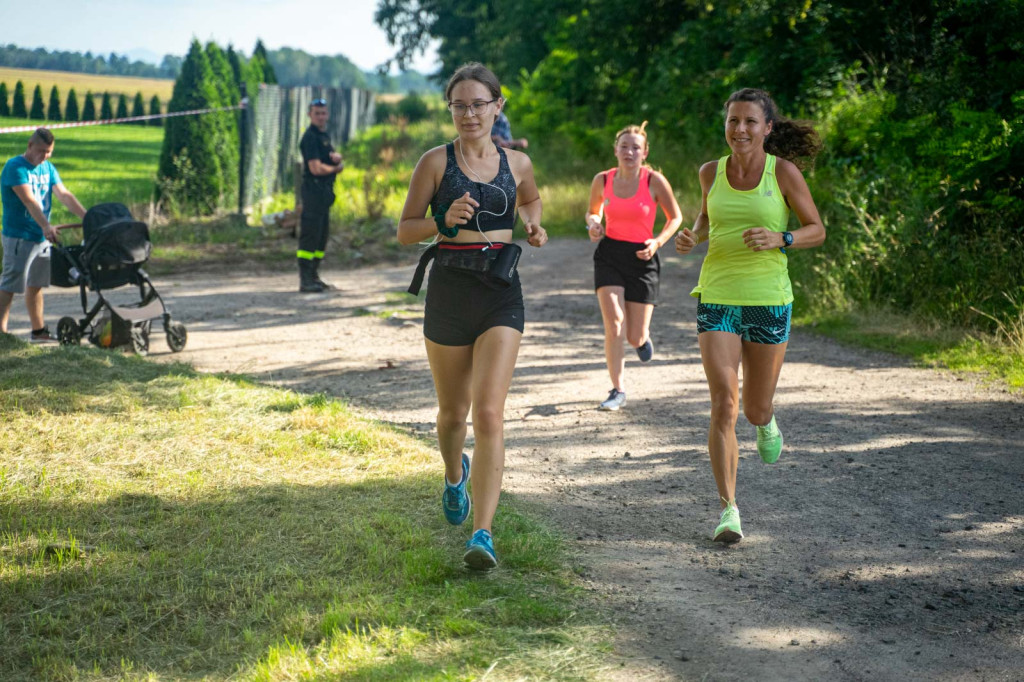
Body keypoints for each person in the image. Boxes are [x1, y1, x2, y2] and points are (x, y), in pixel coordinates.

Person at [397, 62, 547, 570]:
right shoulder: (434, 163)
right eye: (459, 105)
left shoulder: (518, 162)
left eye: (478, 104)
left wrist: (534, 224)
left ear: (497, 106)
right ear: (451, 110)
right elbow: (405, 230)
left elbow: (530, 200)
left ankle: (483, 534)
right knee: (451, 414)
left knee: (488, 413)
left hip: (500, 290)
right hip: (450, 290)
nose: (468, 113)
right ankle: (453, 474)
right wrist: (442, 219)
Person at [674, 88, 825, 543]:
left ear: (767, 128)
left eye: (750, 122)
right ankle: (728, 510)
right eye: (733, 121)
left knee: (755, 410)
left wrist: (781, 238)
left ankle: (767, 422)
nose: (740, 129)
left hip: (768, 297)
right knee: (724, 401)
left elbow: (816, 230)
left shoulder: (784, 172)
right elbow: (705, 221)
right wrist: (692, 237)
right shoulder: (709, 172)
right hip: (718, 295)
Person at [586, 122, 682, 410]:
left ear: (645, 152)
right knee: (614, 322)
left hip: (643, 256)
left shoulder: (654, 181)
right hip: (610, 254)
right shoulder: (603, 180)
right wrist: (594, 224)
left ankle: (641, 341)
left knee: (634, 334)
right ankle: (617, 390)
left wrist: (657, 242)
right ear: (616, 150)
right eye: (624, 146)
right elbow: (593, 211)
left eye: (635, 147)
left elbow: (675, 217)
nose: (629, 151)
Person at [0, 127, 86, 341]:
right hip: (19, 236)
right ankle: (1, 334)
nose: (45, 156)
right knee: (10, 284)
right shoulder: (15, 167)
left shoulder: (47, 168)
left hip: (41, 237)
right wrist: (46, 226)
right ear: (30, 145)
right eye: (41, 151)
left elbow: (64, 194)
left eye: (49, 151)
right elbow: (29, 201)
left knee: (36, 285)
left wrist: (88, 217)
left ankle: (39, 331)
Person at [297, 98, 344, 293]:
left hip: (323, 194)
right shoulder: (310, 137)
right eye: (317, 113)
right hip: (313, 193)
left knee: (321, 237)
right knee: (310, 237)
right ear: (309, 114)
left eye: (323, 113)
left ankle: (314, 276)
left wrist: (336, 159)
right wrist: (336, 168)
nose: (321, 117)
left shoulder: (323, 135)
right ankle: (305, 280)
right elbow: (315, 168)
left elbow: (327, 159)